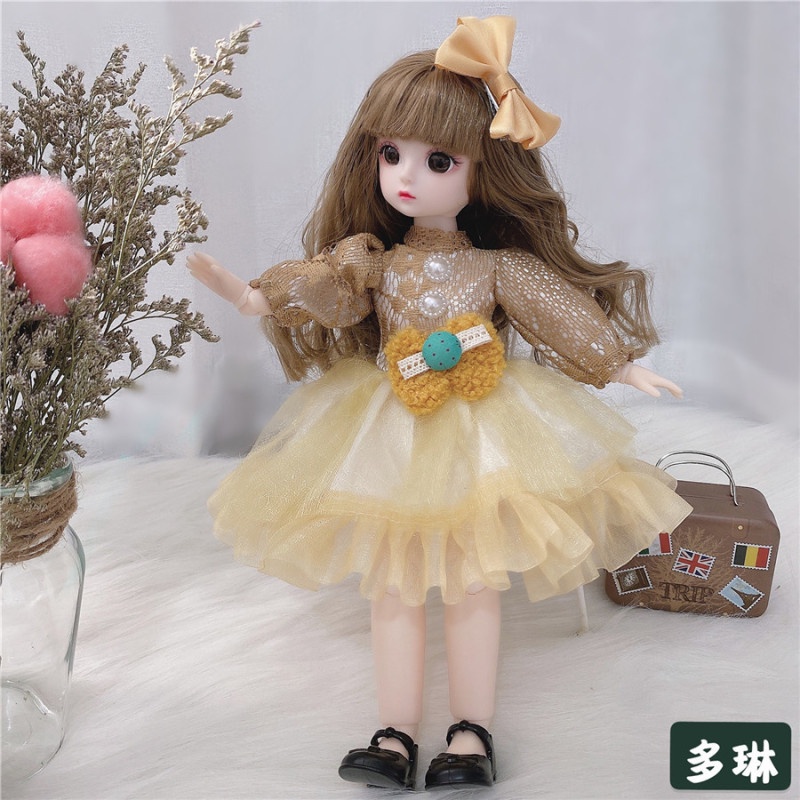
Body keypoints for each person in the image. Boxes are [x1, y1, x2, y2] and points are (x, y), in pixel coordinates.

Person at [187, 16, 691, 791]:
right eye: (391, 154)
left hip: (484, 428)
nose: (406, 176)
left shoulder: (496, 266)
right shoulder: (375, 262)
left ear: (482, 171)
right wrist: (250, 295)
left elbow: (554, 310)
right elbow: (329, 291)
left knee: (470, 581)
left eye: (438, 161)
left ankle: (470, 732)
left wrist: (619, 364)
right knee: (392, 581)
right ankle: (393, 732)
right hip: (391, 423)